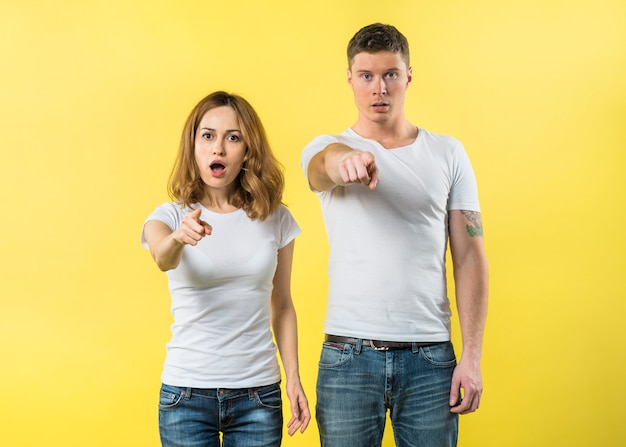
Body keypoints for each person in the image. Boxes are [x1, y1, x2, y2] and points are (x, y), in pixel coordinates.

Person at [300, 23, 489, 447]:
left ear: (408, 76)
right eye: (366, 76)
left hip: (430, 358)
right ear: (350, 79)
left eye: (390, 74)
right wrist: (346, 160)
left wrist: (472, 358)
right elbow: (322, 167)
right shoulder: (326, 146)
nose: (378, 88)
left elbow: (470, 256)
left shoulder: (447, 152)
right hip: (348, 358)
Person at [142, 91, 310, 447]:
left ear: (247, 150)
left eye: (232, 137)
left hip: (257, 397)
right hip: (185, 396)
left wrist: (293, 377)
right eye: (208, 136)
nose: (218, 148)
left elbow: (282, 305)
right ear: (194, 147)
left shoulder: (276, 218)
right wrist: (178, 238)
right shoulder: (169, 216)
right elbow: (162, 258)